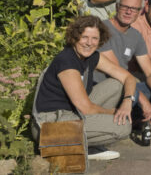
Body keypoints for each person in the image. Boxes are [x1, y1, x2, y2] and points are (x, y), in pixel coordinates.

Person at [32, 15, 137, 161]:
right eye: (84, 37)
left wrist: (127, 101)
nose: (89, 43)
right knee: (123, 126)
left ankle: (86, 145)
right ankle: (78, 148)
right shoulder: (67, 61)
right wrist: (113, 113)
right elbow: (86, 108)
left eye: (94, 38)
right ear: (75, 37)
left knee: (116, 84)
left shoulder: (92, 56)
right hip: (50, 125)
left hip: (72, 113)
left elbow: (128, 77)